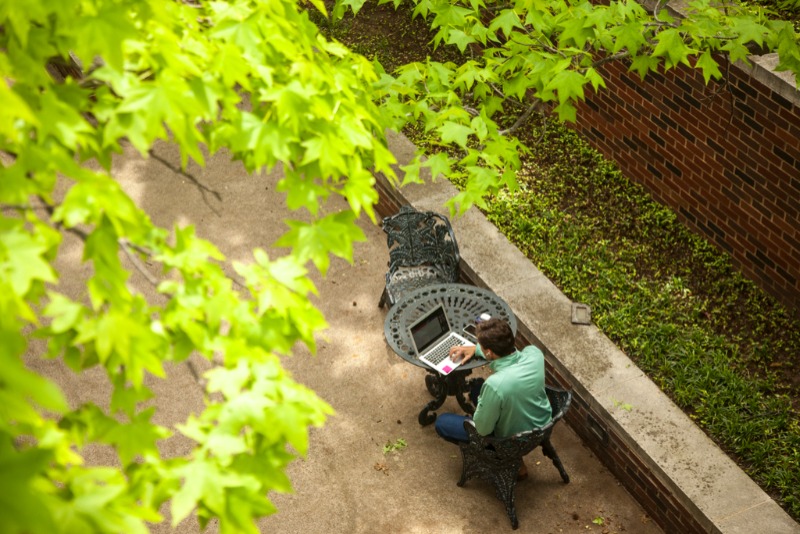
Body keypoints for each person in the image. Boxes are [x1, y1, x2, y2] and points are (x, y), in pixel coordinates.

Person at [434, 318, 552, 477]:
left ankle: (510, 461)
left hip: (511, 442)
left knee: (442, 422)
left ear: (489, 352)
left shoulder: (495, 385)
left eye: (481, 346)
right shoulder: (534, 354)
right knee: (477, 386)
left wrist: (479, 411)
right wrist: (476, 349)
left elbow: (483, 430)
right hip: (541, 426)